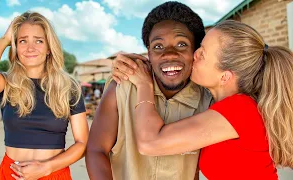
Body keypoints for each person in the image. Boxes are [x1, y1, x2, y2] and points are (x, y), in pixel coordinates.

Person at [116, 20, 293, 179]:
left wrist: (143, 85)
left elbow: (150, 143)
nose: (194, 54)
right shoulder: (220, 105)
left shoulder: (240, 109)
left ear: (225, 77)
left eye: (202, 54)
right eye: (198, 47)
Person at [85, 2, 212, 180]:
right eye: (158, 46)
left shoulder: (207, 100)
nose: (169, 54)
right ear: (148, 54)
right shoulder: (122, 87)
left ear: (195, 52)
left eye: (182, 44)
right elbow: (96, 150)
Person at [0, 12, 89, 180]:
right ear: (15, 47)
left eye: (39, 41)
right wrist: (6, 38)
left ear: (49, 47)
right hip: (11, 174)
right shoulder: (7, 84)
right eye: (22, 41)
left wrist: (46, 168)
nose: (30, 48)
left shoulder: (68, 88)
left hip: (54, 174)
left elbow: (83, 144)